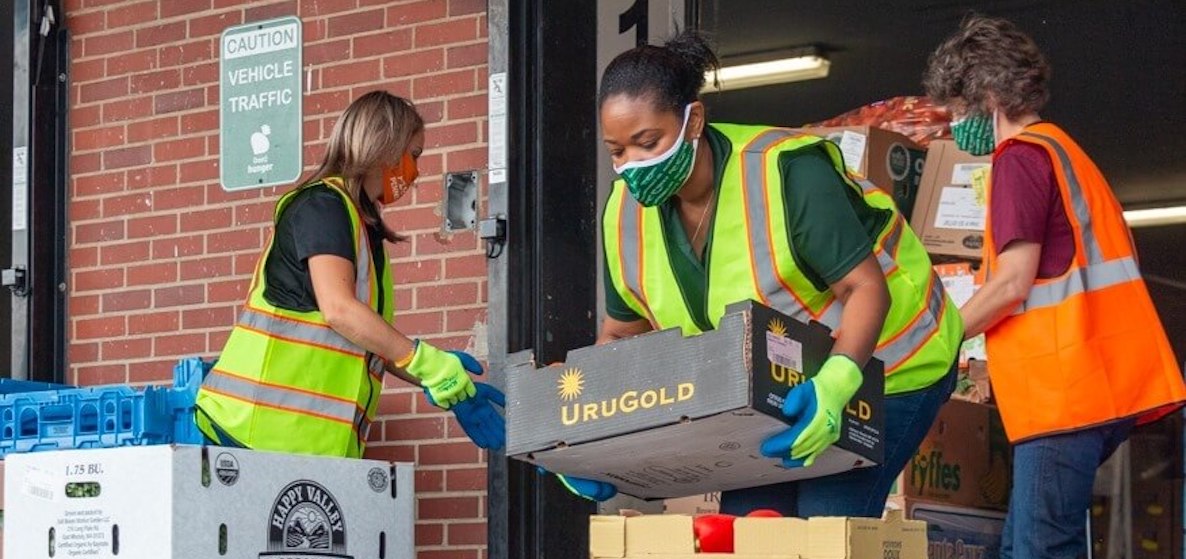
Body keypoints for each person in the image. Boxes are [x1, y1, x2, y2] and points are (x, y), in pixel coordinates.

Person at [555, 30, 964, 516]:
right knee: (750, 531)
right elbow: (621, 335)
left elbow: (864, 288)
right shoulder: (623, 214)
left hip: (891, 364)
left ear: (693, 121)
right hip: (774, 384)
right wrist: (584, 437)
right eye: (617, 151)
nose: (632, 166)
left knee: (827, 524)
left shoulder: (785, 170)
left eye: (648, 142)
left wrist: (835, 384)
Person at [924, 16, 1185, 559]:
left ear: (988, 97)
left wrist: (937, 339)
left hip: (1064, 390)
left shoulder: (1019, 157)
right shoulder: (1066, 152)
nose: (957, 127)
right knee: (1025, 554)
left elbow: (1013, 282)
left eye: (959, 111)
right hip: (1093, 384)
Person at [194, 91, 505, 458]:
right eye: (414, 154)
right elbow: (339, 310)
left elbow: (367, 340)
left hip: (297, 442)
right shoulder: (323, 206)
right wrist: (425, 362)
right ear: (384, 145)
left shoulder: (361, 224)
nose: (415, 172)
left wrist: (444, 379)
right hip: (253, 429)